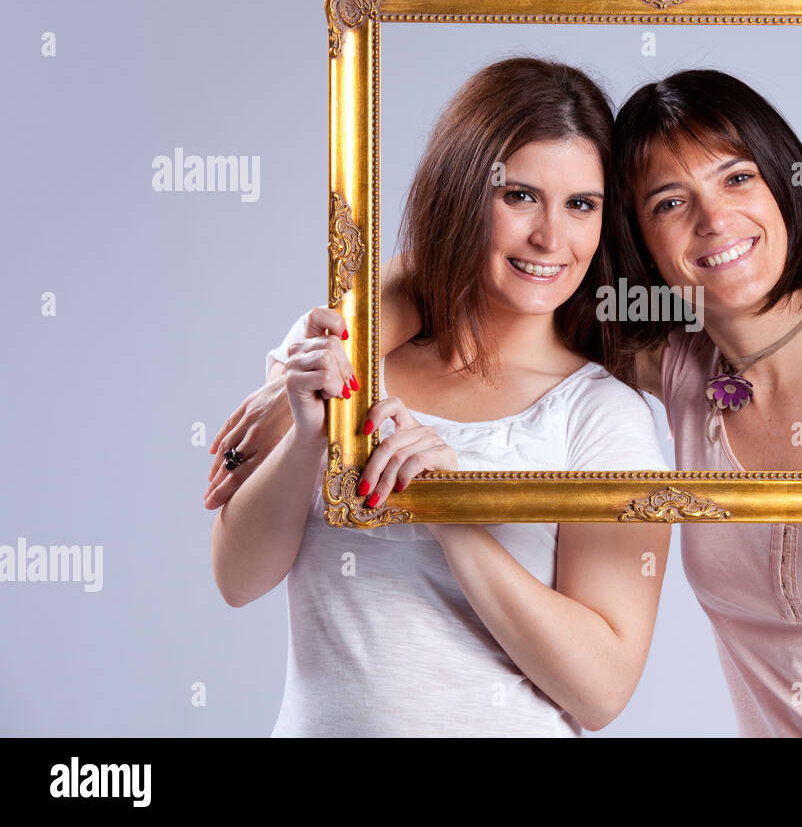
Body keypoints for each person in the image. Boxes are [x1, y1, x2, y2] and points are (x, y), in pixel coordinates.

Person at [209, 68, 802, 737]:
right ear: (640, 242)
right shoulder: (672, 365)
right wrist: (315, 366)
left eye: (737, 178)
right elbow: (494, 271)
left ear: (784, 181)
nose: (715, 220)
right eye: (668, 202)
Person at [209, 57, 671, 737]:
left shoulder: (602, 417)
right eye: (519, 195)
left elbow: (601, 690)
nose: (551, 237)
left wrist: (452, 512)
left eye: (581, 204)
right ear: (461, 192)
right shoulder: (348, 353)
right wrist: (310, 434)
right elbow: (236, 579)